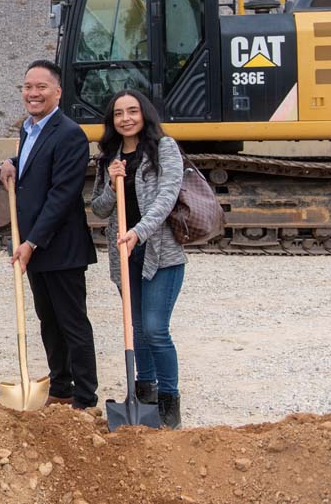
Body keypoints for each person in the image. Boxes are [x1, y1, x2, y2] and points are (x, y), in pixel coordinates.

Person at [0, 59, 99, 410]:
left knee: (72, 323)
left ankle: (85, 397)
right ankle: (61, 386)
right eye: (27, 87)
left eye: (41, 87)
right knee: (48, 322)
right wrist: (11, 164)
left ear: (57, 92)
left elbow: (62, 194)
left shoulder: (70, 133)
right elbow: (33, 171)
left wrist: (31, 242)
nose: (32, 93)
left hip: (60, 247)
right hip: (35, 247)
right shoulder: (29, 130)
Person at [90, 88, 186, 428]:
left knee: (156, 329)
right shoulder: (110, 156)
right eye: (118, 113)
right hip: (124, 254)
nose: (126, 118)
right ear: (112, 120)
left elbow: (167, 197)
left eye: (132, 111)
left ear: (144, 113)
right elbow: (99, 208)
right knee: (137, 330)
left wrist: (138, 232)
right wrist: (112, 181)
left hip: (160, 254)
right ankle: (144, 392)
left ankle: (168, 399)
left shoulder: (164, 148)